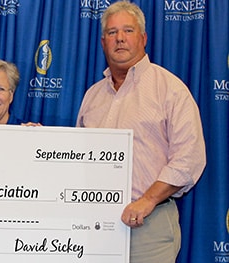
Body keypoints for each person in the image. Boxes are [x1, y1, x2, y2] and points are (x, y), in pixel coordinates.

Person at [76, 1, 206, 262]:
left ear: (144, 38)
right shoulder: (93, 96)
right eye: (112, 33)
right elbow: (79, 156)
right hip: (94, 225)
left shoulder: (169, 88)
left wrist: (147, 200)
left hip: (149, 226)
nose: (120, 39)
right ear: (103, 42)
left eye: (128, 31)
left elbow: (188, 159)